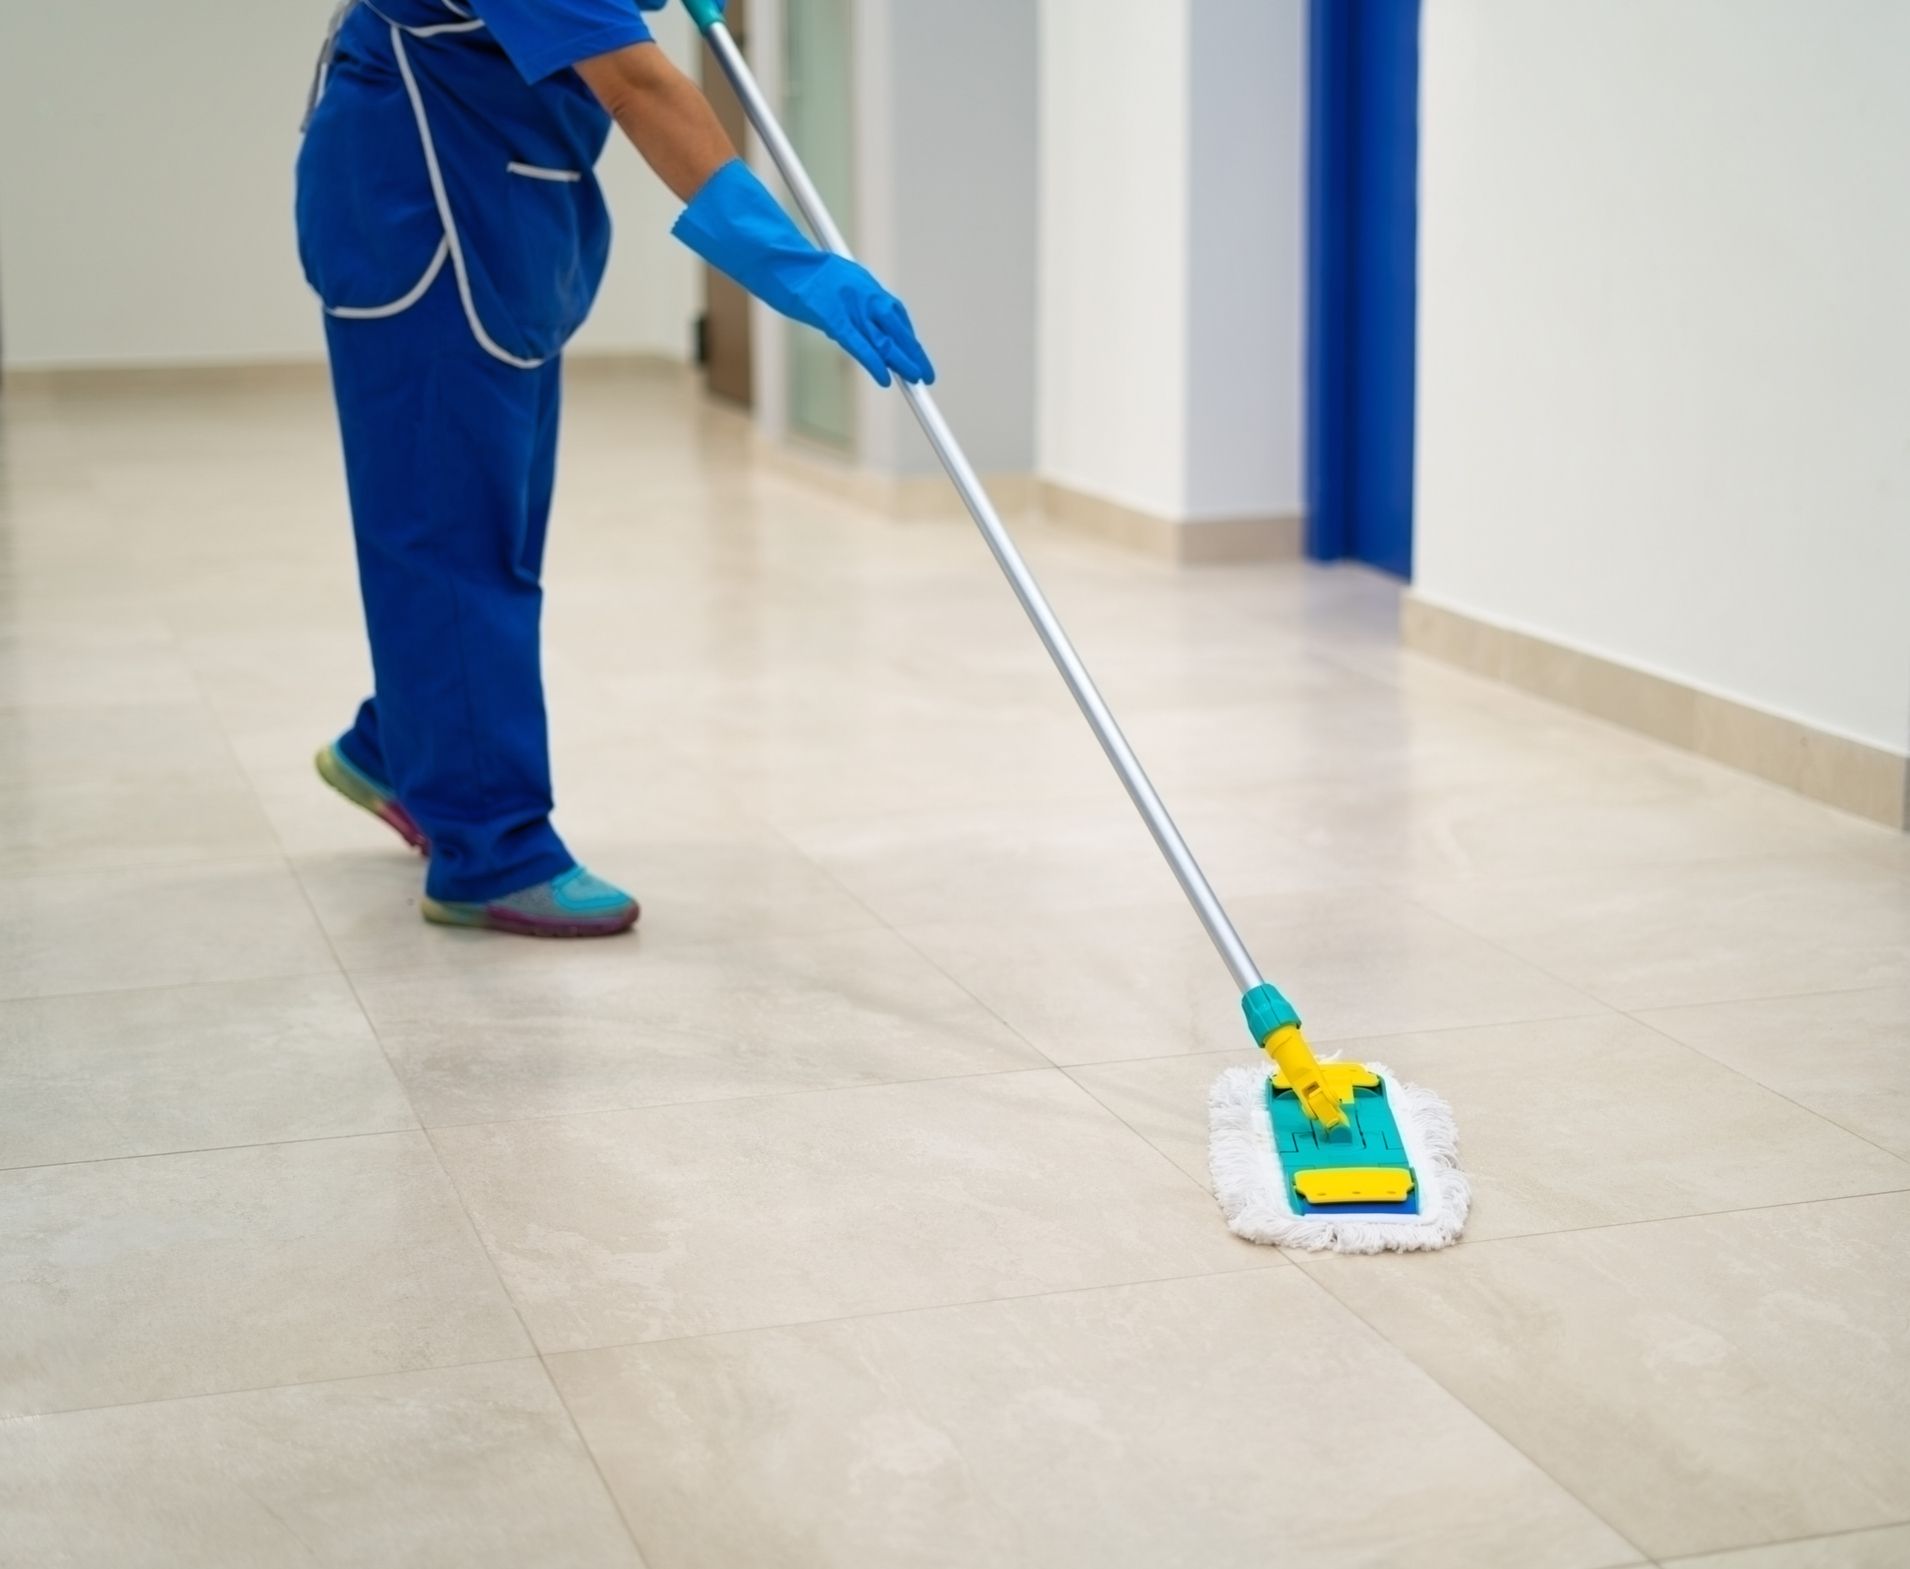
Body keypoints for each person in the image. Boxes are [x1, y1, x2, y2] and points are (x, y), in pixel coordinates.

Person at [296, 0, 932, 937]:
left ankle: (405, 743)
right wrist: (796, 267)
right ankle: (488, 846)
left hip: (490, 194)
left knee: (493, 521)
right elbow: (638, 85)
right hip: (422, 204)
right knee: (453, 534)